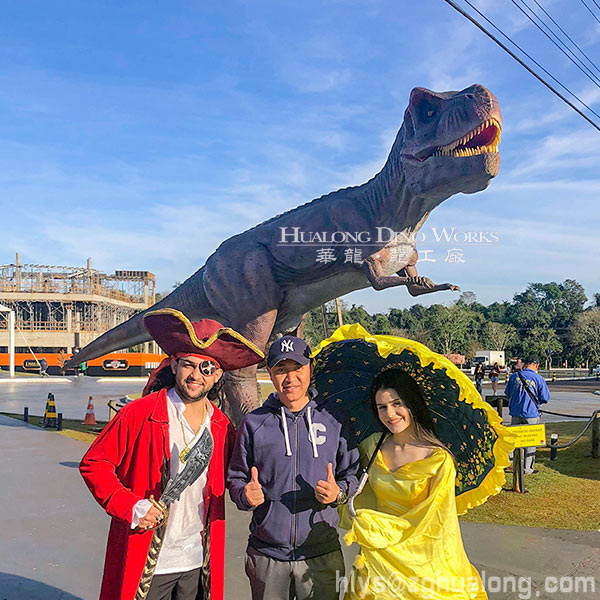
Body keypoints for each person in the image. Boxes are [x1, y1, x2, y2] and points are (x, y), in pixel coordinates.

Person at [80, 309, 264, 600]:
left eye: (206, 369)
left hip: (196, 557)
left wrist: (246, 493)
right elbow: (95, 464)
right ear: (175, 365)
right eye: (188, 365)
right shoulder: (139, 413)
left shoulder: (220, 426)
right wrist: (131, 506)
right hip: (149, 555)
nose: (195, 376)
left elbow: (234, 477)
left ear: (217, 376)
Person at [227, 335, 361, 600]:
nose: (290, 378)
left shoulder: (335, 418)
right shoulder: (254, 423)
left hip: (322, 555)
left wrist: (339, 493)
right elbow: (236, 477)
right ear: (270, 373)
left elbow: (353, 473)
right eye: (281, 370)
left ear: (310, 368)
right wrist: (244, 494)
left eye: (297, 368)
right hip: (267, 556)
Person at [343, 368, 487, 600]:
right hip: (376, 563)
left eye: (397, 403)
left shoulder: (438, 460)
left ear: (411, 403)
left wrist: (375, 527)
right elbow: (351, 488)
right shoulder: (371, 448)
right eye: (382, 407)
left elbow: (435, 525)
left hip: (421, 566)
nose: (390, 414)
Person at [505, 356, 550, 474]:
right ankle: (527, 468)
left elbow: (507, 393)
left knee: (513, 440)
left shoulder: (514, 376)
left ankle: (510, 464)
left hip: (515, 412)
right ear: (536, 365)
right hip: (531, 413)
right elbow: (545, 398)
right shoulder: (538, 378)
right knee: (530, 441)